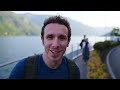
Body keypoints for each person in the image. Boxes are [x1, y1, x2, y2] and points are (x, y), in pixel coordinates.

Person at [9, 15, 80, 79]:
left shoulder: (73, 70)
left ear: (68, 42)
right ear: (43, 40)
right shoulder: (23, 68)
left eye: (62, 38)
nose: (55, 45)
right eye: (50, 37)